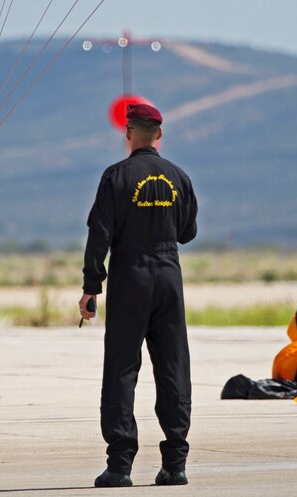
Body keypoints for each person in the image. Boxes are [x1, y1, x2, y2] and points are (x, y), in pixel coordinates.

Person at [79, 103, 198, 487]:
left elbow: (100, 234)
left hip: (130, 276)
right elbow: (187, 232)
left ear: (128, 133)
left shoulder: (116, 176)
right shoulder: (178, 177)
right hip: (168, 274)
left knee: (122, 367)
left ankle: (120, 466)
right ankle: (176, 463)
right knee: (173, 364)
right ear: (159, 135)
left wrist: (91, 287)